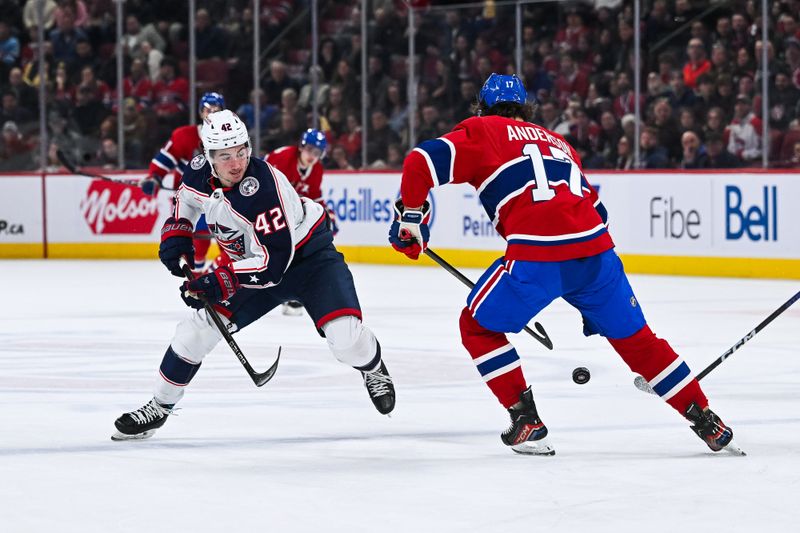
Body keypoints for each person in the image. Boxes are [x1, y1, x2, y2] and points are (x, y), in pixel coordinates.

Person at [388, 73, 741, 456]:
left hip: (538, 257)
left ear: (483, 107)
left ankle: (526, 420)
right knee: (640, 343)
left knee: (476, 326)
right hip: (597, 255)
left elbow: (419, 160)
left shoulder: (483, 130)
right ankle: (707, 419)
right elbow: (598, 211)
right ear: (526, 108)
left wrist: (410, 217)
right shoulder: (560, 143)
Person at [112, 110, 395, 441]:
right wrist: (178, 232)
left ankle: (373, 368)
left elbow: (273, 264)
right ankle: (160, 406)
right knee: (195, 332)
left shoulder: (263, 191)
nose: (236, 164)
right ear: (208, 155)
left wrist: (221, 279)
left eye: (242, 152)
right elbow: (186, 199)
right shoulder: (199, 169)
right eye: (226, 156)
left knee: (346, 341)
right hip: (252, 265)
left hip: (307, 262)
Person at [140, 92, 225, 270]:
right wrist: (154, 178)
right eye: (208, 110)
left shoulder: (228, 140)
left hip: (219, 199)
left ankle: (209, 277)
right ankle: (199, 275)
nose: (212, 114)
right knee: (197, 244)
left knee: (226, 244)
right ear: (201, 112)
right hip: (190, 200)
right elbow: (164, 160)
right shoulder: (184, 136)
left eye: (217, 110)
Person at [264, 128, 337, 316]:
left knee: (300, 249)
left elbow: (313, 197)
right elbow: (264, 185)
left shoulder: (317, 169)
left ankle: (291, 292)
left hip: (287, 213)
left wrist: (327, 215)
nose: (313, 156)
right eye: (310, 150)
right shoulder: (283, 158)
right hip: (264, 205)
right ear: (302, 146)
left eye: (318, 153)